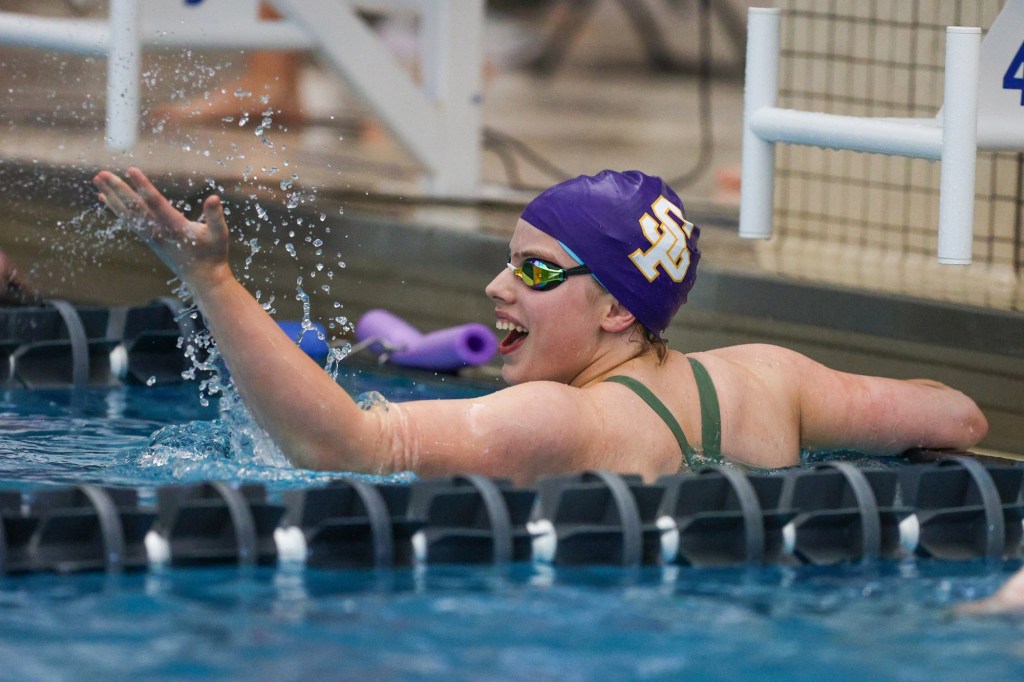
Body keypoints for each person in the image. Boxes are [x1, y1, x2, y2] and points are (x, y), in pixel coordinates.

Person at [92, 168, 988, 485]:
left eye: (532, 270)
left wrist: (211, 280)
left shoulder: (564, 422)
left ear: (613, 307)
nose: (495, 288)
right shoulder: (771, 378)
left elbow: (345, 447)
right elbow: (959, 419)